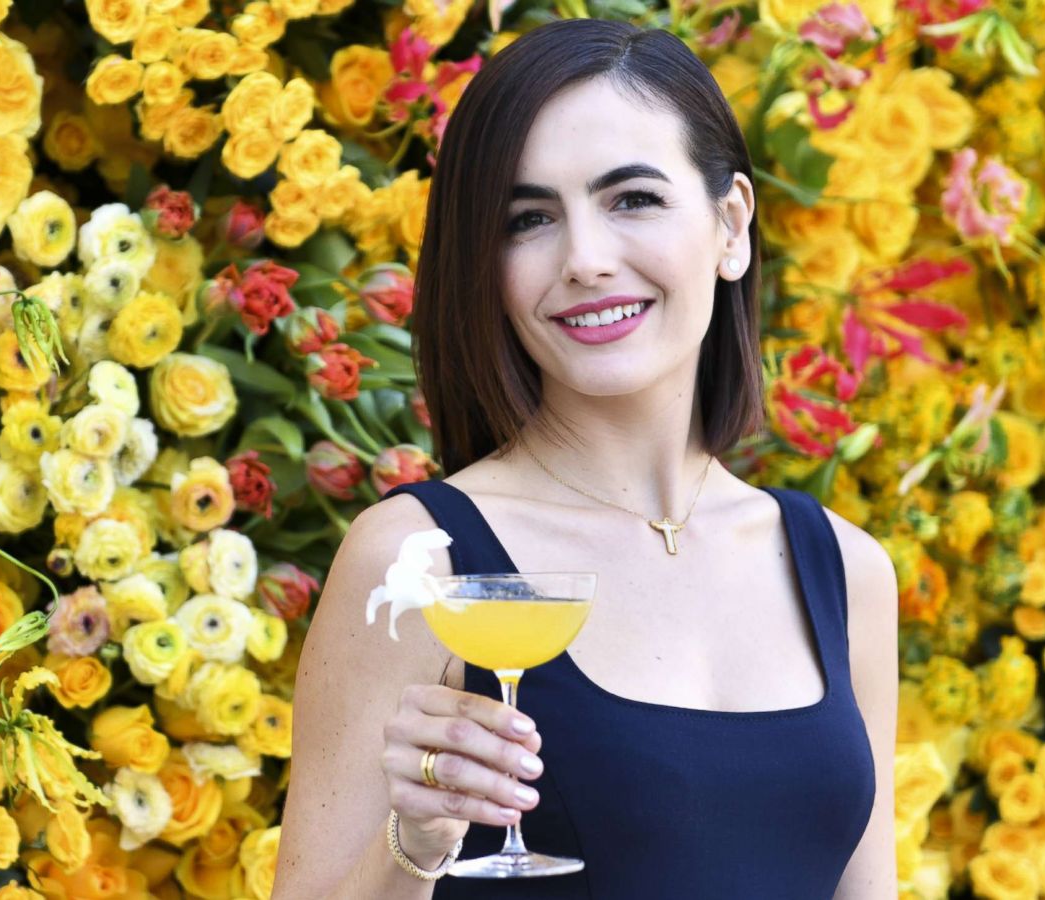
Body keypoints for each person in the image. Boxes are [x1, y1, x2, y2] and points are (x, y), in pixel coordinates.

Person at [273, 17, 897, 899]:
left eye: (632, 199)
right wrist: (416, 842)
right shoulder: (420, 564)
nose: (585, 260)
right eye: (529, 219)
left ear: (731, 226)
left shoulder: (845, 570)